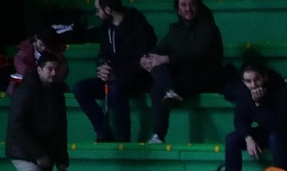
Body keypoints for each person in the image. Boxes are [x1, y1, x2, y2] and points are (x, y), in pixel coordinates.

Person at [0, 53, 71, 171]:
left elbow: (60, 129)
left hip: (39, 154)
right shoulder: (25, 92)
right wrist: (38, 154)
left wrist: (62, 161)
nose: (54, 73)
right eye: (49, 69)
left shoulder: (57, 93)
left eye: (56, 69)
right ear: (39, 70)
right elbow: (16, 126)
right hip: (22, 153)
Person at [140, 0, 225, 145]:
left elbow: (197, 54)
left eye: (192, 4)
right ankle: (158, 135)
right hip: (181, 77)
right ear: (178, 10)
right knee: (156, 77)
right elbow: (159, 50)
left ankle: (170, 92)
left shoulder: (209, 28)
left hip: (203, 77)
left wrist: (166, 58)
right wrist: (145, 59)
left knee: (158, 80)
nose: (188, 8)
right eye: (184, 5)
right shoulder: (174, 30)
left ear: (198, 7)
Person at [72, 0, 156, 143]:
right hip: (114, 76)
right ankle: (103, 132)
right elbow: (103, 54)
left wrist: (117, 74)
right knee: (80, 88)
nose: (96, 14)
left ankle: (123, 140)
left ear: (109, 10)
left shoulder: (137, 23)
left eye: (98, 10)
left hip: (138, 78)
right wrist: (102, 66)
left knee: (116, 89)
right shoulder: (105, 28)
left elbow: (143, 60)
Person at [224, 61, 287, 171]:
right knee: (232, 139)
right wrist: (248, 138)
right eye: (248, 81)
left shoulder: (283, 90)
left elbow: (277, 125)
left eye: (257, 79)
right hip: (269, 130)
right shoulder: (244, 92)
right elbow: (240, 121)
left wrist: (259, 104)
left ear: (265, 77)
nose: (253, 85)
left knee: (275, 137)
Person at [8, 30, 64, 96]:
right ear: (36, 38)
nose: (43, 48)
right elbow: (25, 71)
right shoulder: (23, 53)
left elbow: (62, 70)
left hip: (49, 82)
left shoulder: (54, 51)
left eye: (46, 46)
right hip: (26, 83)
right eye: (41, 44)